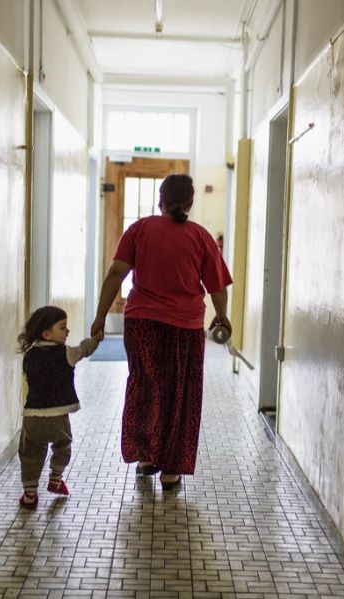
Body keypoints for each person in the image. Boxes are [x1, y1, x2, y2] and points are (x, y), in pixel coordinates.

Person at [91, 174, 232, 490]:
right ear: (190, 203)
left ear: (160, 200)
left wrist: (100, 316)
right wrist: (222, 317)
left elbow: (116, 273)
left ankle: (145, 459)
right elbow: (217, 287)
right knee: (181, 394)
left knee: (145, 387)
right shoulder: (201, 237)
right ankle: (171, 471)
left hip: (142, 324)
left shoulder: (140, 229)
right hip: (185, 326)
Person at [16, 305, 103, 508]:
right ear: (47, 333)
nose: (67, 331)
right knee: (63, 446)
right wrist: (96, 340)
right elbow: (84, 349)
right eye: (63, 327)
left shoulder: (28, 356)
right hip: (57, 417)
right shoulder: (66, 353)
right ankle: (55, 478)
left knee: (30, 453)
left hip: (32, 417)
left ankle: (29, 495)